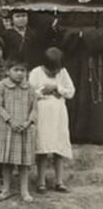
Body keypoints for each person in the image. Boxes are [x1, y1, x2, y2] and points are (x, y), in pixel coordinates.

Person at [30, 48, 75, 192]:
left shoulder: (62, 72)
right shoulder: (36, 72)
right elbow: (30, 93)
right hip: (43, 114)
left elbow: (71, 92)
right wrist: (43, 91)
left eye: (56, 70)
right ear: (44, 65)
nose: (54, 73)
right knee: (43, 147)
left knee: (58, 146)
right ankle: (41, 181)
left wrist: (57, 87)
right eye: (51, 70)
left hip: (58, 114)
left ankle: (59, 181)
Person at [0, 59, 37, 201]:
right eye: (16, 70)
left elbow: (34, 108)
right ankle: (6, 189)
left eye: (22, 70)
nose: (19, 73)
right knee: (7, 162)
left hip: (24, 129)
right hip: (7, 129)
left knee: (24, 163)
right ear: (8, 71)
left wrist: (28, 122)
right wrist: (10, 120)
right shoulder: (2, 86)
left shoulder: (29, 88)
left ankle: (24, 191)